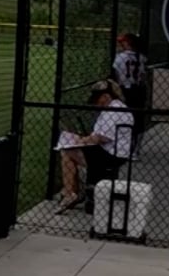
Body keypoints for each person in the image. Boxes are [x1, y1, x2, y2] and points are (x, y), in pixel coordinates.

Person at [57, 82, 135, 213]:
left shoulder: (114, 111)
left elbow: (101, 138)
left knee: (67, 151)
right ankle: (71, 193)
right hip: (109, 150)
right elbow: (98, 136)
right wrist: (82, 140)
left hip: (111, 154)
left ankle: (70, 193)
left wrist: (81, 141)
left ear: (106, 96)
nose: (96, 103)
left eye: (97, 99)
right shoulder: (113, 108)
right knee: (68, 151)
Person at [112, 33, 147, 114]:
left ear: (128, 43)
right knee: (137, 113)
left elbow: (115, 72)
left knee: (124, 112)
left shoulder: (120, 56)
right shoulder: (141, 57)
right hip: (138, 89)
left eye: (123, 42)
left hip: (124, 89)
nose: (121, 44)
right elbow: (143, 75)